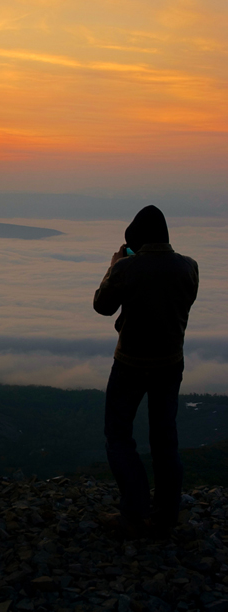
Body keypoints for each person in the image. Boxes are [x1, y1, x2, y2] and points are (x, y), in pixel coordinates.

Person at [93, 205, 199, 537]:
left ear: (135, 240)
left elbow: (102, 306)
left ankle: (134, 512)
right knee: (165, 439)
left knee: (118, 435)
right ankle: (166, 515)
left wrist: (114, 267)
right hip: (170, 363)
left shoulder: (127, 268)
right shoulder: (189, 267)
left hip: (131, 363)